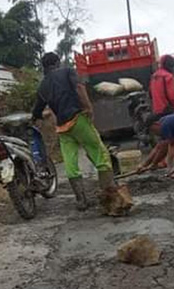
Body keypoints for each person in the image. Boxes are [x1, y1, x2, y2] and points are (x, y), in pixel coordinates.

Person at [32, 52, 115, 211]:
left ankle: (81, 200)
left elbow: (37, 110)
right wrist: (88, 107)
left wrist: (35, 118)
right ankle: (110, 195)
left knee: (70, 164)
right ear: (57, 62)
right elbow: (79, 87)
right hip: (78, 119)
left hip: (62, 128)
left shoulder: (43, 86)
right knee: (99, 153)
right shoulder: (67, 71)